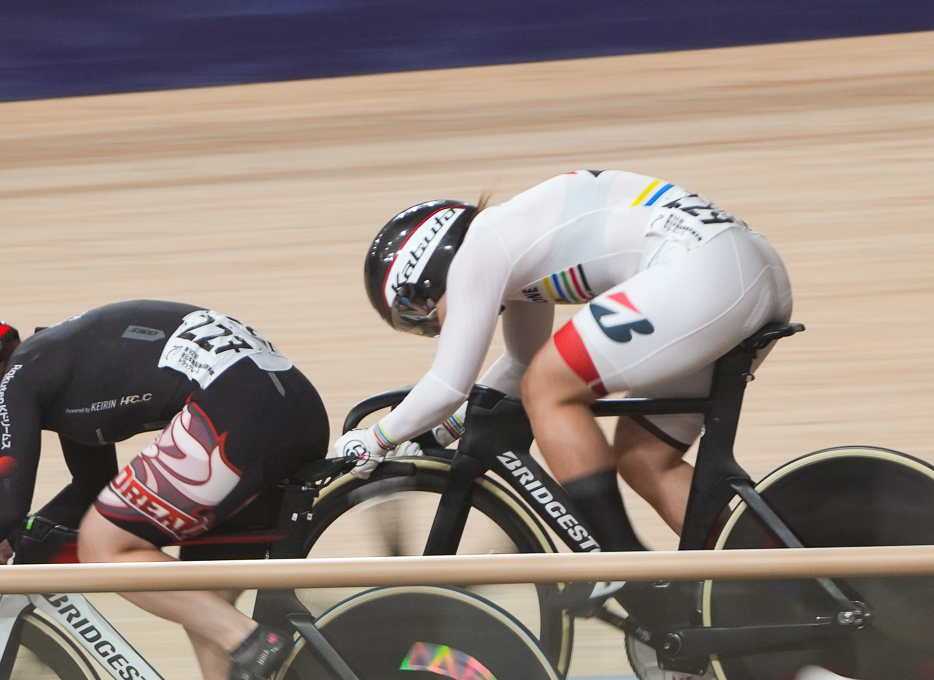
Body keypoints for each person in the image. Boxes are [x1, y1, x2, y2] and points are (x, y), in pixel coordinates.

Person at [336, 169, 793, 566]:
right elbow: (519, 363)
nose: (433, 328)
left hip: (706, 270)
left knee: (549, 389)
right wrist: (437, 430)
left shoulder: (480, 249)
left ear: (430, 272)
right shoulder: (512, 256)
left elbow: (450, 383)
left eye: (417, 313)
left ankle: (622, 562)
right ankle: (779, 586)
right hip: (737, 266)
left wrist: (374, 440)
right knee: (645, 460)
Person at [0, 301, 328, 680]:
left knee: (103, 545)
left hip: (240, 413)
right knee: (201, 603)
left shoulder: (18, 378)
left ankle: (253, 642)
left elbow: (7, 502)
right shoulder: (55, 363)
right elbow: (90, 487)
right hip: (286, 409)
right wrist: (9, 539)